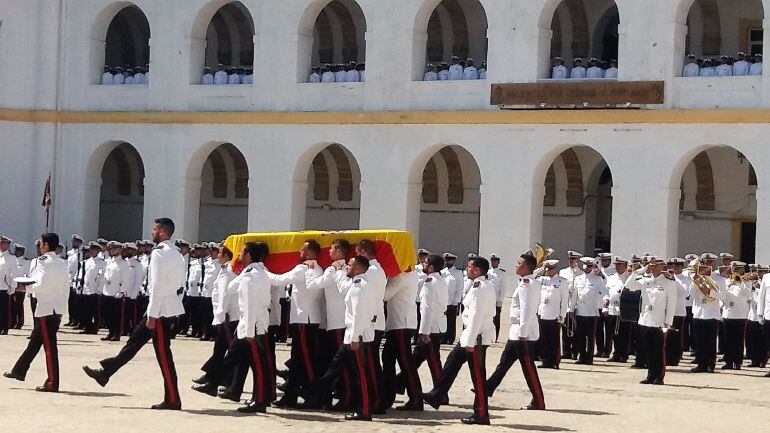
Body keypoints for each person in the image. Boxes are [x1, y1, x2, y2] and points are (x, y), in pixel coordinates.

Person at [82, 218, 187, 410]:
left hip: (160, 313)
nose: (153, 232)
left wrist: (153, 315)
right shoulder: (177, 254)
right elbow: (181, 284)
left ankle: (173, 399)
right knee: (132, 344)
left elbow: (157, 286)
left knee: (164, 357)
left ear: (163, 232)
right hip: (164, 309)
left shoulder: (159, 254)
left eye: (155, 229)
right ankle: (105, 373)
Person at [423, 256, 496, 425]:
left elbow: (477, 316)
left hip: (475, 337)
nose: (467, 270)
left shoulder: (480, 288)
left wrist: (470, 342)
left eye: (470, 267)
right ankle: (437, 395)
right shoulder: (478, 285)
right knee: (452, 361)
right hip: (469, 336)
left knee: (477, 375)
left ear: (477, 270)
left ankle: (482, 414)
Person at [3, 233, 68, 392]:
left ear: (46, 245)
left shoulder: (42, 261)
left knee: (49, 348)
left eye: (41, 244)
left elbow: (40, 282)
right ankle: (19, 370)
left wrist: (26, 288)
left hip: (46, 307)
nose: (39, 246)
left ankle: (53, 382)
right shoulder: (61, 263)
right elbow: (66, 287)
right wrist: (62, 308)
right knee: (35, 342)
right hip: (55, 308)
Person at [486, 250, 546, 410]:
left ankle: (538, 400)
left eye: (519, 263)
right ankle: (487, 388)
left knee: (528, 368)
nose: (516, 265)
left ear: (526, 268)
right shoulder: (526, 282)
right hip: (517, 332)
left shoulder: (527, 284)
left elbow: (527, 310)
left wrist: (522, 334)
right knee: (504, 363)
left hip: (522, 334)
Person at [268, 240, 323, 408]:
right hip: (309, 319)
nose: (299, 251)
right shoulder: (318, 268)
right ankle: (291, 395)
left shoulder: (303, 269)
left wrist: (263, 270)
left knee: (304, 360)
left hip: (303, 319)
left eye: (303, 249)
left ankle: (313, 395)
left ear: (309, 253)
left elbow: (279, 280)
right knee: (299, 360)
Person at [221, 242, 272, 413]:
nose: (239, 255)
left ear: (249, 255)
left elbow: (250, 305)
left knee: (258, 366)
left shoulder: (252, 277)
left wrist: (249, 333)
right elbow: (231, 287)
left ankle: (260, 402)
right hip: (253, 326)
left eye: (242, 252)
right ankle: (218, 382)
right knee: (253, 364)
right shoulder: (253, 273)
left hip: (253, 328)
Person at [624, 257, 677, 385]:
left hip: (659, 322)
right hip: (645, 320)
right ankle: (650, 375)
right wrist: (640, 270)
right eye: (651, 266)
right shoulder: (645, 280)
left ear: (661, 267)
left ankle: (659, 376)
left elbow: (671, 305)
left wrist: (667, 323)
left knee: (659, 352)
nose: (652, 268)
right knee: (648, 351)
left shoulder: (668, 283)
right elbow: (628, 285)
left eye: (655, 266)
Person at [192, 246, 236, 394]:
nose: (216, 255)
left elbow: (224, 295)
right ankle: (212, 378)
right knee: (219, 350)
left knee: (230, 351)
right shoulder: (225, 269)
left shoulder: (227, 270)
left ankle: (223, 381)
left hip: (226, 317)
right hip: (222, 316)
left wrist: (221, 317)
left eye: (219, 253)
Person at [381, 267, 421, 411]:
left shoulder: (400, 276)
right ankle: (388, 395)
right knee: (388, 359)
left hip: (400, 325)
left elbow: (385, 295)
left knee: (405, 363)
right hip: (400, 324)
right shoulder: (410, 273)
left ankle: (416, 398)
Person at [410, 254, 447, 388]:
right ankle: (399, 383)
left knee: (433, 361)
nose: (423, 264)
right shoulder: (441, 280)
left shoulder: (430, 283)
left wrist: (424, 332)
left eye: (425, 263)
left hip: (431, 328)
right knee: (417, 360)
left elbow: (427, 308)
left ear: (431, 267)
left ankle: (441, 392)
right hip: (438, 325)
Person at [690, 253, 724, 373]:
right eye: (704, 263)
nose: (706, 265)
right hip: (699, 313)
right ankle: (701, 364)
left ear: (713, 264)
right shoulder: (698, 277)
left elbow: (722, 295)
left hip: (712, 313)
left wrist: (709, 291)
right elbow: (691, 296)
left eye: (709, 262)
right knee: (699, 341)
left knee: (710, 341)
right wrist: (694, 282)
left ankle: (710, 364)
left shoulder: (719, 278)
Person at [573, 257, 606, 365]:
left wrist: (604, 304)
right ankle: (582, 356)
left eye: (590, 266)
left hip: (591, 311)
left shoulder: (597, 279)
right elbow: (574, 296)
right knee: (580, 335)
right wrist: (571, 308)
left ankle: (589, 357)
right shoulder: (578, 279)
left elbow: (605, 292)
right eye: (586, 265)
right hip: (580, 311)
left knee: (590, 336)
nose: (587, 268)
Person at [537, 259, 569, 368]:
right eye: (547, 269)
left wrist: (562, 316)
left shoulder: (562, 282)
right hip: (543, 313)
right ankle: (545, 360)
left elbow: (564, 301)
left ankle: (555, 361)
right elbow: (532, 276)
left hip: (554, 314)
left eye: (550, 269)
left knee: (554, 340)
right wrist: (541, 268)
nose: (548, 271)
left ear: (555, 269)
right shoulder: (541, 280)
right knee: (543, 338)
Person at [721, 261, 751, 370]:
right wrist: (729, 285)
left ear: (741, 270)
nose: (734, 271)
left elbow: (748, 295)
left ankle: (737, 363)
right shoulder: (726, 282)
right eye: (733, 269)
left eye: (737, 269)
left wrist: (740, 283)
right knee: (728, 340)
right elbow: (722, 296)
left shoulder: (746, 282)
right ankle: (729, 362)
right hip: (728, 314)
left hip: (740, 314)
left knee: (738, 341)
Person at [102, 241, 127, 341]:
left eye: (114, 248)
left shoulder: (124, 264)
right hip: (107, 291)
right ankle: (110, 331)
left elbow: (125, 280)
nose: (111, 251)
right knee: (107, 314)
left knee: (116, 315)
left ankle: (116, 333)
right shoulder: (109, 261)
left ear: (120, 250)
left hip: (116, 292)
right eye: (110, 249)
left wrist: (121, 291)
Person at [0, 235, 20, 334]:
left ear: (8, 245)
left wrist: (13, 286)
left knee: (5, 309)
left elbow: (14, 273)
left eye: (4, 243)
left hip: (5, 287)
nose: (1, 245)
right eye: (1, 243)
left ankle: (5, 327)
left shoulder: (11, 258)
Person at [442, 253, 462, 344]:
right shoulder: (442, 272)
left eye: (450, 260)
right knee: (443, 320)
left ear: (453, 261)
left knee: (451, 321)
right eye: (447, 260)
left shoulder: (458, 272)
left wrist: (457, 301)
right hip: (443, 301)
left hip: (452, 301)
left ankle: (451, 338)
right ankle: (443, 338)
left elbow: (459, 288)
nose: (448, 262)